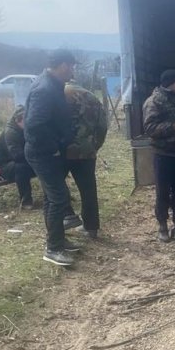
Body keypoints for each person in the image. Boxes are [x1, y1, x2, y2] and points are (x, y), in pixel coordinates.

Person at [24, 49, 80, 266]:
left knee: (51, 197)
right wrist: (54, 147)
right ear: (63, 65)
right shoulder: (45, 89)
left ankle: (58, 239)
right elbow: (34, 125)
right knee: (59, 198)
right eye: (72, 66)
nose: (73, 70)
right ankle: (53, 248)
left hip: (49, 151)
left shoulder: (52, 85)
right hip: (43, 153)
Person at [143, 70, 175, 243]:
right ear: (171, 83)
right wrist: (174, 127)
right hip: (164, 153)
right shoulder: (154, 101)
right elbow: (150, 128)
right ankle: (162, 226)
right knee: (163, 191)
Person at [63, 81, 108, 240]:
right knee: (88, 189)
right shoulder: (92, 97)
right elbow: (103, 124)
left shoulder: (60, 93)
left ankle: (66, 217)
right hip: (87, 150)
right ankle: (91, 228)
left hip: (64, 150)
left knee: (56, 186)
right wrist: (95, 145)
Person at [0, 106, 36, 209]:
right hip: (4, 166)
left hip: (22, 159)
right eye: (26, 121)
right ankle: (25, 201)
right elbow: (17, 156)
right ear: (18, 121)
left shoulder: (25, 129)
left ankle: (56, 195)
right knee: (21, 168)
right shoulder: (11, 133)